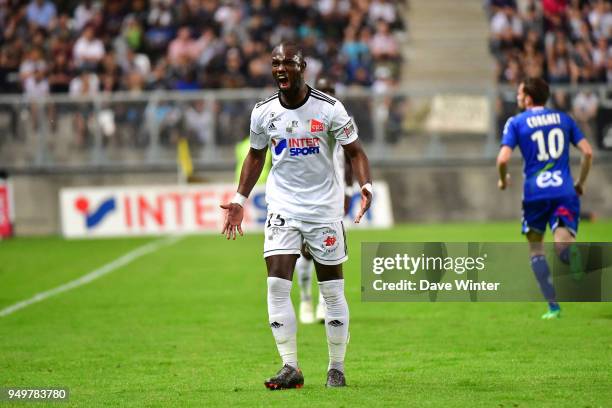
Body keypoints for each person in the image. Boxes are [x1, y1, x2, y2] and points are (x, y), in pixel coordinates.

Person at [221, 43, 372, 389]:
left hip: (324, 210)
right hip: (283, 208)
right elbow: (256, 156)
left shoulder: (330, 109)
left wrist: (366, 187)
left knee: (332, 291)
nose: (279, 68)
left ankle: (336, 366)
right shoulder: (263, 112)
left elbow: (356, 152)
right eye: (275, 63)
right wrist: (239, 198)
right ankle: (291, 366)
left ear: (302, 66)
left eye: (287, 62)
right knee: (276, 284)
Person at [496, 77, 593, 319]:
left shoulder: (516, 122)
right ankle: (572, 255)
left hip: (535, 194)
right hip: (564, 191)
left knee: (536, 250)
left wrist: (503, 178)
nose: (517, 97)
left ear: (528, 98)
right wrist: (580, 182)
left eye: (519, 93)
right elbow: (588, 152)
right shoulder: (564, 119)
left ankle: (553, 306)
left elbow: (503, 159)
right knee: (562, 246)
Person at [295, 75, 354, 325]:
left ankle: (322, 304)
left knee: (329, 251)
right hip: (308, 196)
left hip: (335, 196)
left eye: (332, 89)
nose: (329, 93)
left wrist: (350, 191)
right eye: (325, 89)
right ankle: (306, 299)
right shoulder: (308, 118)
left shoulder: (341, 118)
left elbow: (350, 158)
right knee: (305, 252)